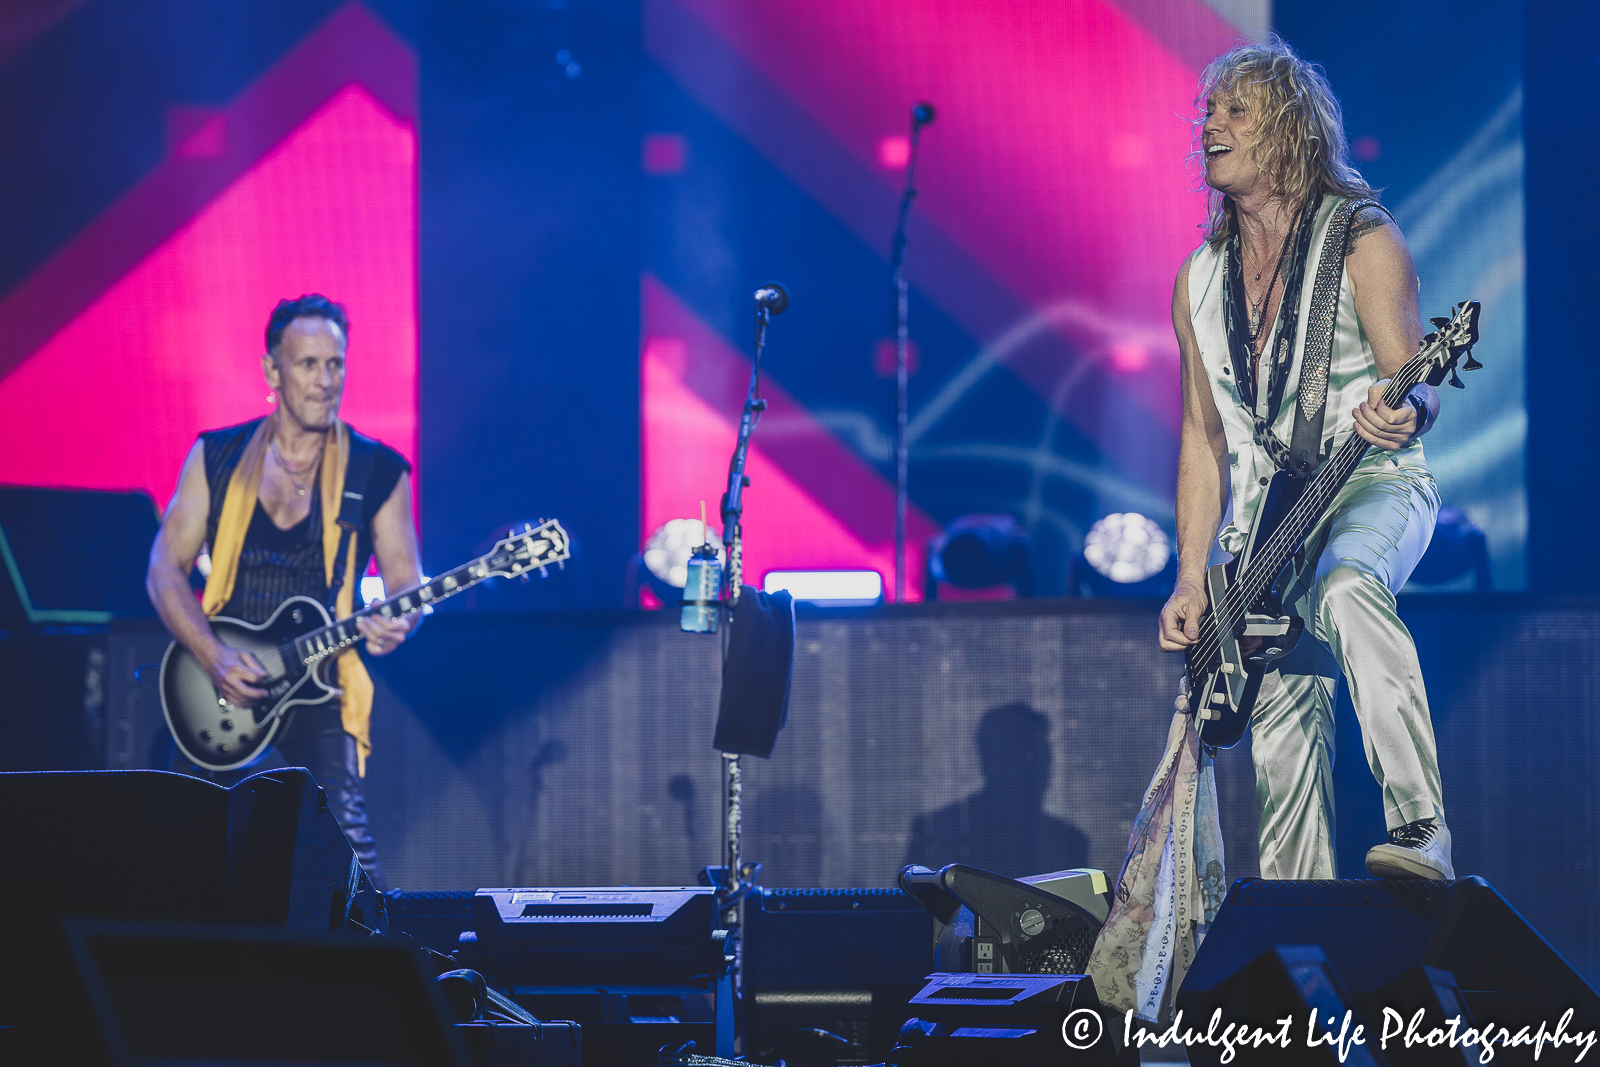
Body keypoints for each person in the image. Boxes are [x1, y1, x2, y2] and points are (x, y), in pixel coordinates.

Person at [1157, 37, 1452, 881]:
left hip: (1373, 484)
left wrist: (1406, 411)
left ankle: (1422, 824)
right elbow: (1201, 438)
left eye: (1234, 108)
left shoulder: (1364, 239)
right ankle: (1301, 975)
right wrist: (1189, 576)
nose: (1209, 122)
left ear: (1287, 129)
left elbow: (1417, 383)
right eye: (1208, 109)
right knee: (1285, 755)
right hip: (1267, 540)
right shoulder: (1197, 281)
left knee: (1350, 585)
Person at [147, 294, 419, 888]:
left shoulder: (378, 470)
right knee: (182, 851)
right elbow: (164, 568)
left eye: (336, 364)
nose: (326, 381)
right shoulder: (214, 455)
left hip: (321, 689)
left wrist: (397, 619)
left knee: (346, 860)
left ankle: (368, 972)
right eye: (308, 364)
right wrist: (215, 658)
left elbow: (405, 583)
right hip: (220, 681)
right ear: (273, 369)